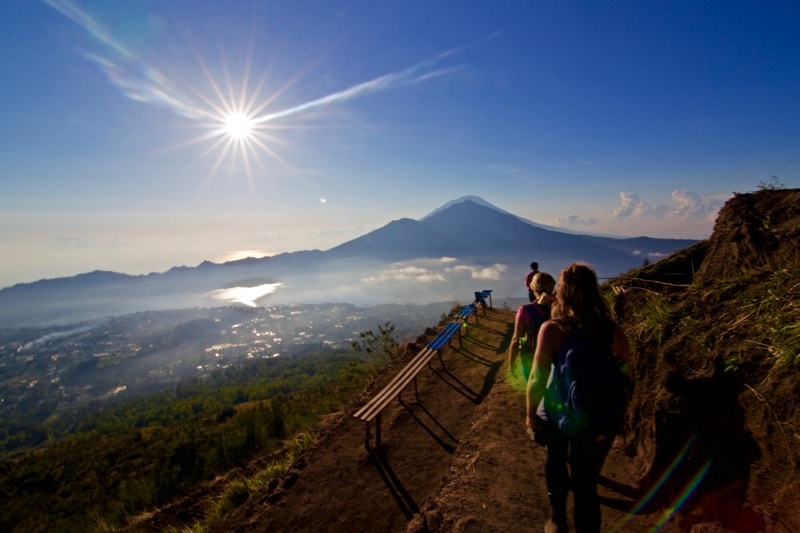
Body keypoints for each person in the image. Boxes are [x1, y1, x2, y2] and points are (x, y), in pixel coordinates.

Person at [526, 262, 631, 533]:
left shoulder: (552, 329)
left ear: (561, 293)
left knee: (557, 461)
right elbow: (625, 367)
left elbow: (537, 379)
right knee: (586, 484)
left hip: (557, 411)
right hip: (597, 417)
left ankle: (557, 519)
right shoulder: (612, 330)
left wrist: (531, 418)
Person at [508, 272, 555, 381]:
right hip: (556, 358)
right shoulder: (561, 307)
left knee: (535, 388)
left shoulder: (525, 310)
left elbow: (517, 338)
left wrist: (512, 362)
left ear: (533, 288)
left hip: (532, 358)